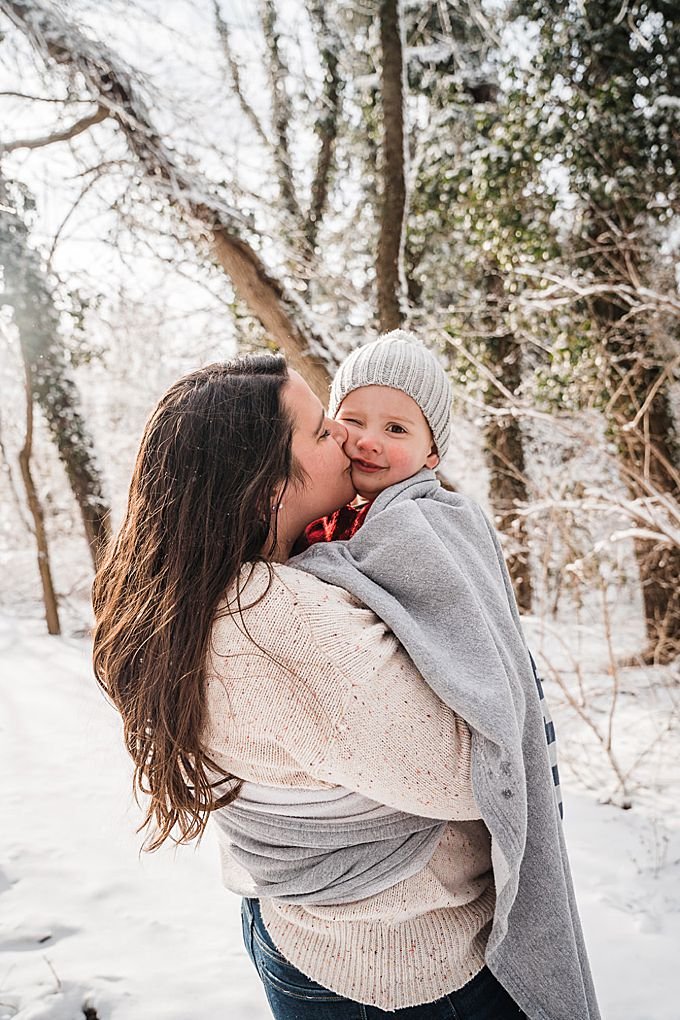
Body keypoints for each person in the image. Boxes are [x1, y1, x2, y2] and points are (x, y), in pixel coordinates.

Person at [92, 352, 597, 1020]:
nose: (346, 435)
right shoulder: (274, 618)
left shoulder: (199, 587)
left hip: (309, 935)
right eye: (323, 430)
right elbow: (467, 768)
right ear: (270, 487)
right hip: (399, 967)